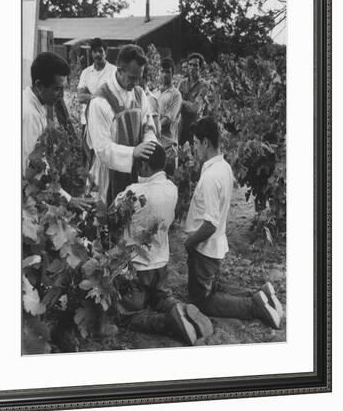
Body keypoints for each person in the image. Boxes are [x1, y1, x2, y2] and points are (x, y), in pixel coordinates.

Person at [184, 117, 283, 328]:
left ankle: (254, 307)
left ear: (206, 143)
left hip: (204, 248)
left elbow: (209, 223)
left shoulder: (210, 176)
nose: (194, 148)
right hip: (215, 245)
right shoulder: (224, 167)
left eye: (195, 143)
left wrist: (190, 242)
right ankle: (260, 295)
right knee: (215, 288)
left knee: (203, 300)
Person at [115, 143, 213, 345]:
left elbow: (112, 217)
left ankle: (170, 324)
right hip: (161, 265)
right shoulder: (172, 189)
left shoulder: (131, 193)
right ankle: (183, 310)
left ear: (144, 166)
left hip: (137, 269)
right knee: (160, 298)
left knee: (128, 314)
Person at [86, 44, 158, 204]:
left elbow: (148, 126)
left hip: (135, 170)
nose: (136, 82)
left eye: (139, 77)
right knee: (108, 221)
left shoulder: (139, 94)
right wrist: (133, 152)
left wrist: (148, 144)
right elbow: (102, 149)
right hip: (108, 174)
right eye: (132, 77)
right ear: (119, 70)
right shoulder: (100, 101)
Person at [23, 51, 93, 212]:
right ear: (40, 85)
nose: (61, 96)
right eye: (57, 89)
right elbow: (30, 172)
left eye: (63, 89)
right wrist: (67, 199)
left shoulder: (36, 104)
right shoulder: (29, 115)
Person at [77, 38, 117, 127]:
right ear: (91, 53)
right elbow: (80, 97)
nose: (97, 54)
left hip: (108, 121)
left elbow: (116, 97)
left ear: (106, 52)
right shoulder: (86, 73)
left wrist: (89, 95)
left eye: (100, 51)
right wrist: (102, 96)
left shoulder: (114, 72)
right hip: (88, 121)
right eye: (95, 51)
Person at [153, 58, 182, 174]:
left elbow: (169, 118)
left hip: (168, 147)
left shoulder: (176, 95)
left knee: (169, 182)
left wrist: (152, 126)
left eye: (168, 72)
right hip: (155, 145)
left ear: (172, 74)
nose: (164, 75)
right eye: (162, 71)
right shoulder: (155, 92)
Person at [178, 53, 209, 145]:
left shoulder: (204, 85)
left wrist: (181, 101)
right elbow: (174, 103)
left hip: (196, 127)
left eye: (195, 65)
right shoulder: (182, 83)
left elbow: (196, 108)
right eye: (190, 64)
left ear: (201, 68)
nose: (192, 67)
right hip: (181, 126)